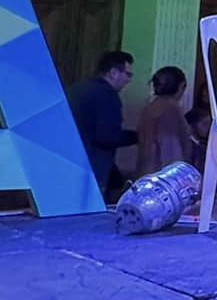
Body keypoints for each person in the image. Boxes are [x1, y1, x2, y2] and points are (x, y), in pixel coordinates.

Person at [67, 50, 137, 200]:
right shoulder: (107, 95)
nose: (129, 80)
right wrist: (138, 136)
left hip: (66, 163)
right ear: (113, 73)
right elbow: (107, 136)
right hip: (92, 169)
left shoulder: (77, 89)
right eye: (128, 74)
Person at [135, 66, 197, 174]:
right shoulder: (170, 109)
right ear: (181, 86)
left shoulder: (150, 107)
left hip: (146, 173)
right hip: (163, 176)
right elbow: (170, 149)